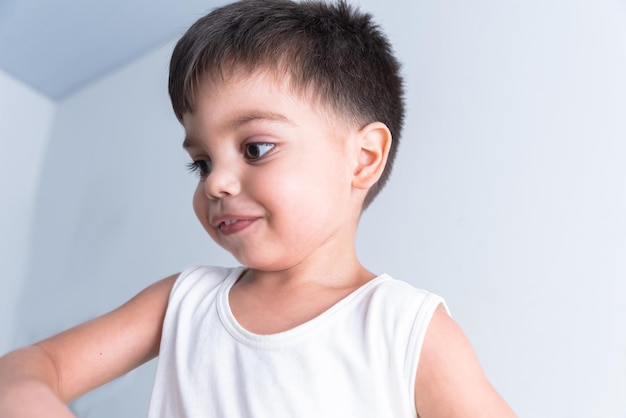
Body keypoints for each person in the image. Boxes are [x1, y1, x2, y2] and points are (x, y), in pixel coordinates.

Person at [0, 0, 516, 416]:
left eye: (255, 148)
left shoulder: (403, 328)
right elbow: (27, 368)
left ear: (362, 159)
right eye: (200, 163)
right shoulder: (184, 302)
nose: (217, 183)